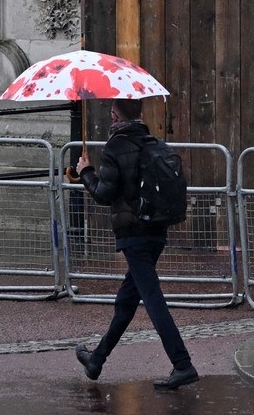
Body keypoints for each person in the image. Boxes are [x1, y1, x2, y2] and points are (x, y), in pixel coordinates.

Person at [73, 99, 198, 390]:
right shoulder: (154, 143)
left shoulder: (115, 147)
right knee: (126, 302)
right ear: (140, 115)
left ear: (114, 116)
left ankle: (183, 364)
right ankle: (96, 359)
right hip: (156, 231)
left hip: (134, 234)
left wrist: (86, 172)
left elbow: (105, 194)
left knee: (153, 300)